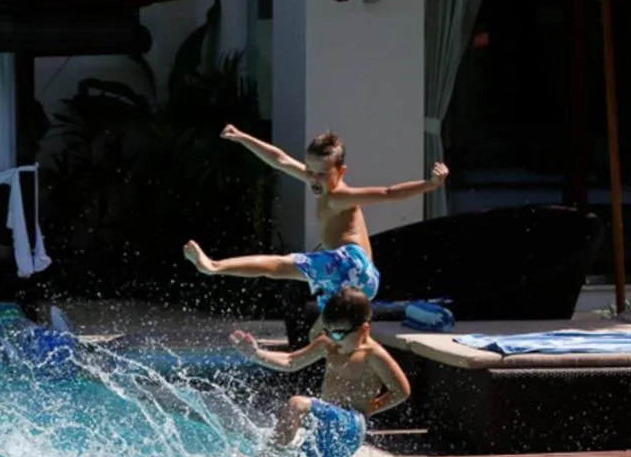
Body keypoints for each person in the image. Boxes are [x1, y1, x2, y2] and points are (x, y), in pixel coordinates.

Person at [184, 128, 448, 334]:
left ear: (341, 172)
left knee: (279, 266)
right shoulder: (316, 180)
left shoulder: (339, 196)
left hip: (352, 265)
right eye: (310, 170)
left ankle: (214, 266)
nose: (313, 178)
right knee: (319, 337)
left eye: (322, 174)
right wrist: (243, 138)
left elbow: (388, 193)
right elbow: (279, 159)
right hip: (357, 281)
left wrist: (430, 184)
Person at [229, 287, 410, 457]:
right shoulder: (329, 344)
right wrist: (256, 354)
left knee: (296, 404)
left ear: (364, 330)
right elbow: (291, 361)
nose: (333, 339)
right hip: (324, 426)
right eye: (328, 332)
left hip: (351, 425)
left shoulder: (374, 355)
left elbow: (401, 391)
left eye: (339, 334)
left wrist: (370, 408)